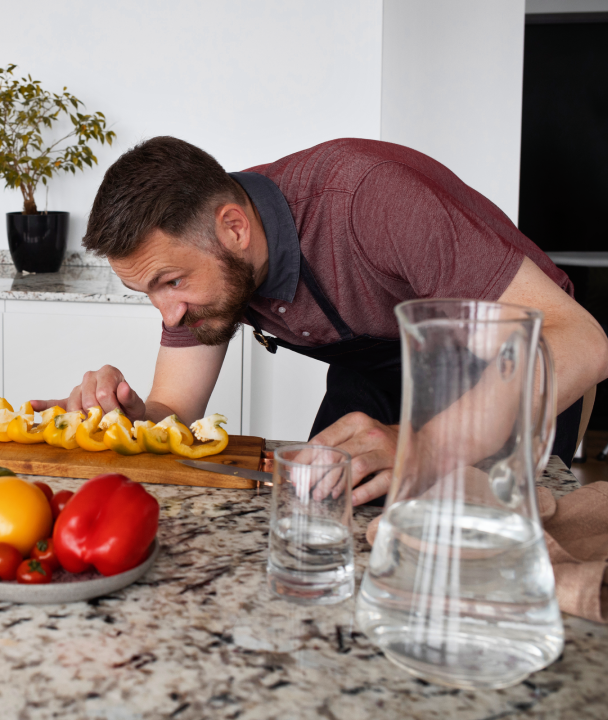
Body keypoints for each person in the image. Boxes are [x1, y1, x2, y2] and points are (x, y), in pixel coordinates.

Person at [32, 137, 608, 505]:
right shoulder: (206, 261)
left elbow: (583, 342)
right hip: (375, 380)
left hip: (506, 375)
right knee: (318, 515)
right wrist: (128, 417)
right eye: (148, 293)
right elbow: (174, 411)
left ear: (235, 228)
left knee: (469, 561)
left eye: (172, 282)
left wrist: (427, 446)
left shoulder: (371, 200)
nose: (168, 313)